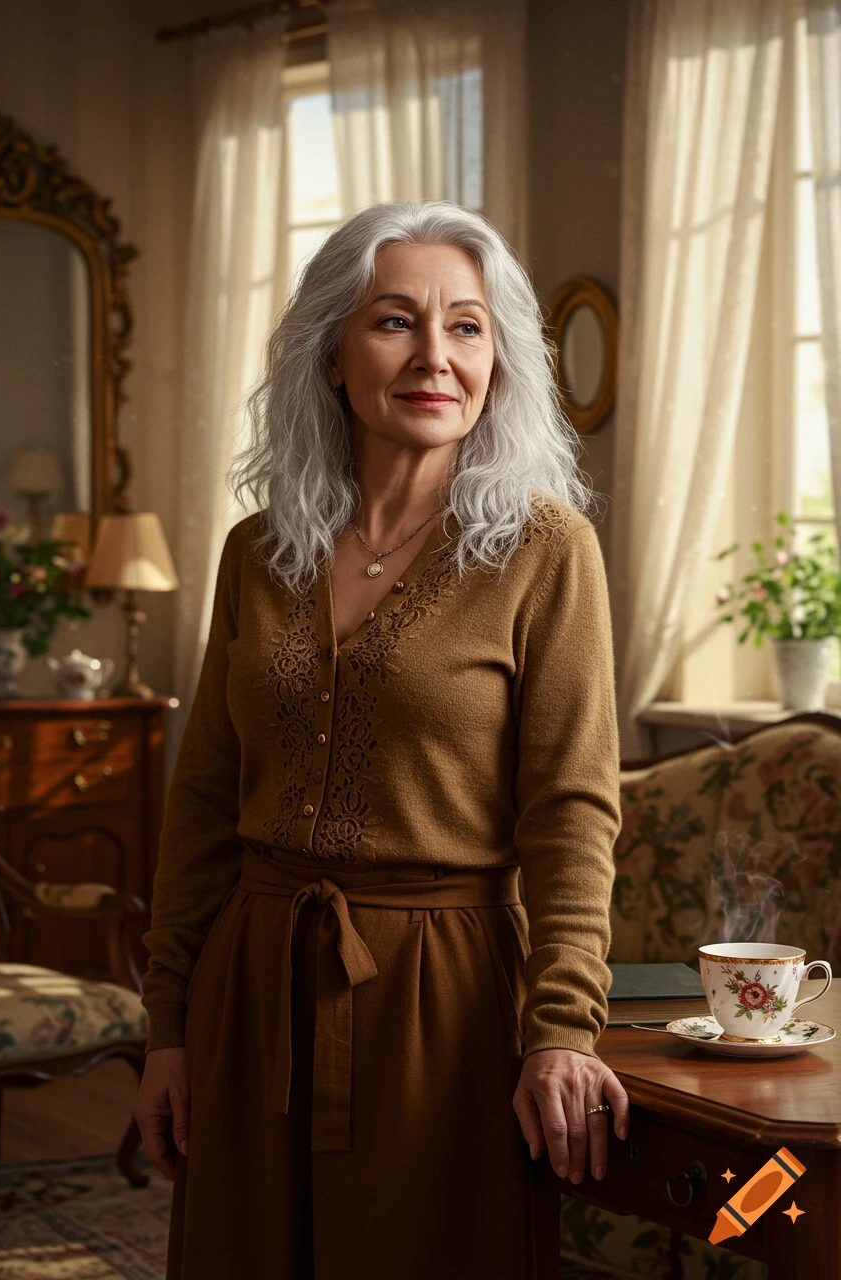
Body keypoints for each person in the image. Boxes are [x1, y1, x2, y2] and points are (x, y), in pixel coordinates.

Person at [134, 199, 629, 1280]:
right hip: (252, 984)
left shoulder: (548, 550)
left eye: (465, 326)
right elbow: (203, 804)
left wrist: (559, 1029)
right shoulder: (254, 550)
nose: (433, 356)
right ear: (330, 353)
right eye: (395, 321)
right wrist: (166, 1023)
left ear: (495, 361)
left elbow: (572, 810)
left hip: (441, 1003)